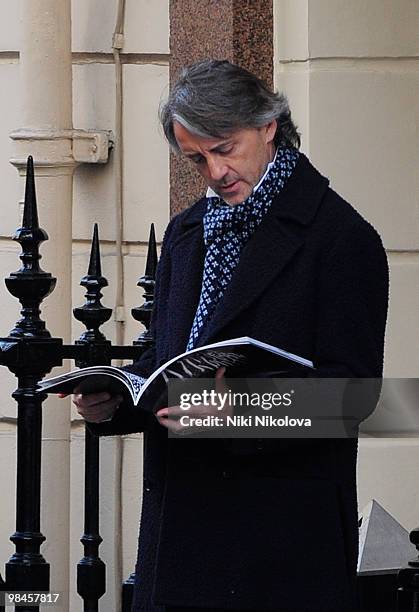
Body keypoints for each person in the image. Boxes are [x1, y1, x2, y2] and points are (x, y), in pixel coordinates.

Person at [72, 60, 389, 611]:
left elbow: (354, 398)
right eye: (198, 159)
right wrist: (119, 401)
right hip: (180, 535)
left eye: (224, 148)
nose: (215, 171)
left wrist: (233, 412)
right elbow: (171, 358)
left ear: (268, 125)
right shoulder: (188, 231)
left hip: (277, 546)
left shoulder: (341, 238)